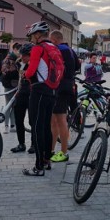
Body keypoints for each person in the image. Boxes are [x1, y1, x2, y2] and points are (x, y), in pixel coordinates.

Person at [23, 21, 58, 176]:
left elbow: (31, 71)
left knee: (36, 127)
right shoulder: (53, 47)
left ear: (38, 35)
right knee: (46, 127)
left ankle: (38, 167)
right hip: (51, 90)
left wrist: (24, 74)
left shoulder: (38, 48)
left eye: (32, 35)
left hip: (39, 91)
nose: (31, 38)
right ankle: (47, 160)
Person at [49, 30, 80, 163]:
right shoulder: (70, 50)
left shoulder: (59, 49)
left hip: (61, 87)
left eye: (51, 41)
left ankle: (63, 152)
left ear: (55, 40)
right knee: (56, 119)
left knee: (60, 120)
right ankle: (52, 150)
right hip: (69, 85)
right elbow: (78, 65)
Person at [10, 43, 33, 154]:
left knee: (32, 121)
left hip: (31, 94)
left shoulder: (34, 65)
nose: (22, 57)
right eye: (21, 55)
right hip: (20, 93)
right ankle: (21, 143)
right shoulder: (19, 64)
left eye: (24, 55)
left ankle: (34, 144)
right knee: (19, 119)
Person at [1, 43, 21, 133]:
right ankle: (6, 126)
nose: (20, 53)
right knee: (8, 105)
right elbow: (4, 71)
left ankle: (13, 125)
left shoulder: (17, 59)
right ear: (15, 50)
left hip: (16, 85)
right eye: (19, 51)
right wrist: (15, 70)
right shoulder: (9, 59)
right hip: (9, 85)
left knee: (14, 106)